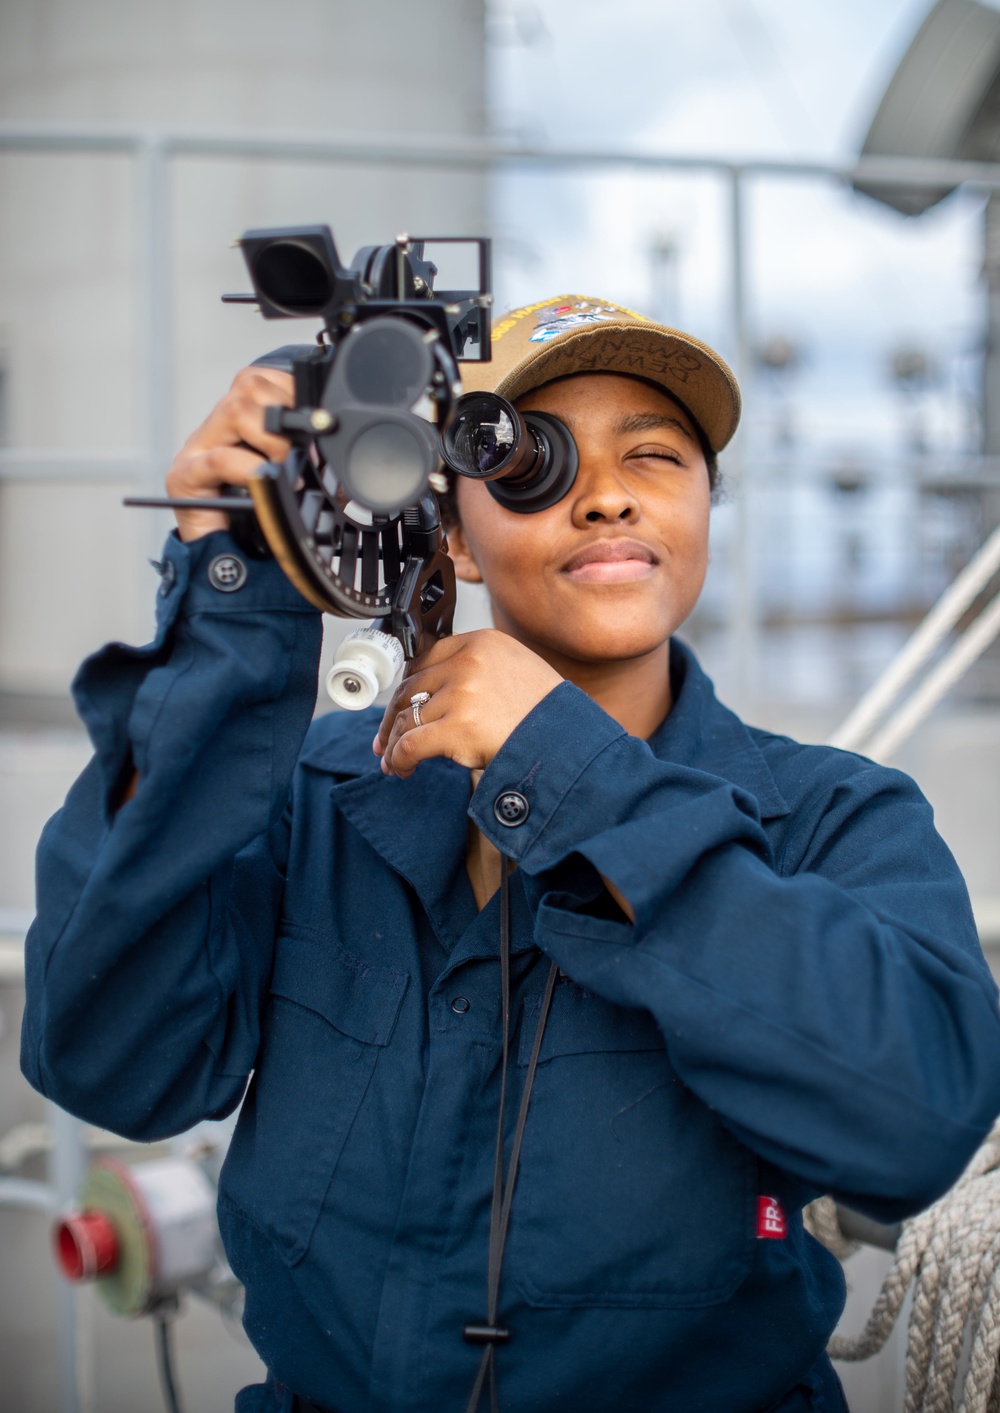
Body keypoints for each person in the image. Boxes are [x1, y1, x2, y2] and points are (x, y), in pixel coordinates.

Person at [20, 294, 1000, 1413]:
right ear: (450, 536)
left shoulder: (830, 818)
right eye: (530, 460)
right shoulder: (318, 799)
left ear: (704, 514)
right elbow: (111, 1059)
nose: (611, 493)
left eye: (658, 456)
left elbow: (918, 1121)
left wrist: (571, 776)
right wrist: (231, 613)